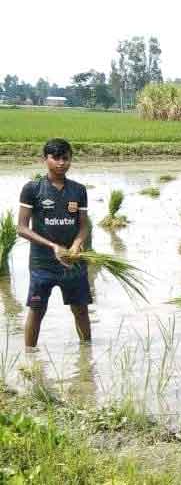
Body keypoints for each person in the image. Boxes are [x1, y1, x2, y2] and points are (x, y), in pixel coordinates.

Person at [16, 138, 91, 348]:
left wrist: (76, 244)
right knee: (37, 310)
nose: (61, 163)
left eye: (65, 158)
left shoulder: (79, 190)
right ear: (45, 159)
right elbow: (21, 228)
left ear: (70, 160)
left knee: (81, 310)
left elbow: (84, 225)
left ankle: (87, 356)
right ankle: (30, 357)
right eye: (55, 158)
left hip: (73, 262)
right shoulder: (33, 189)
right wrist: (53, 247)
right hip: (43, 265)